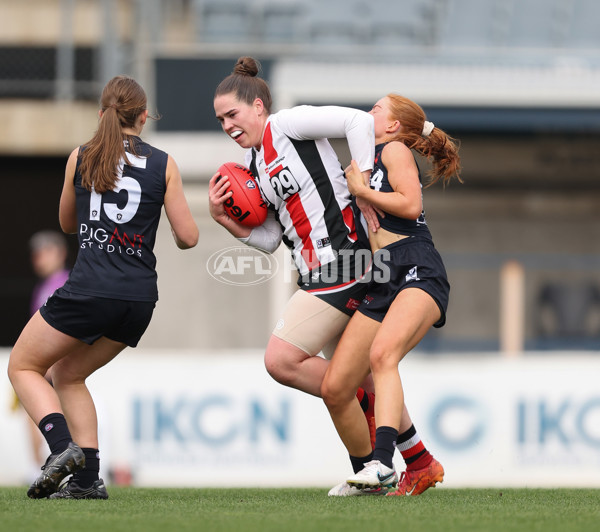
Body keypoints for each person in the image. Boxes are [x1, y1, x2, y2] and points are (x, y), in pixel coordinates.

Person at [209, 57, 433, 496]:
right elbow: (272, 237)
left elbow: (355, 122)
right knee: (347, 384)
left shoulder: (288, 124)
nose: (227, 125)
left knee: (281, 360)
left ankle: (373, 456)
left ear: (258, 107)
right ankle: (406, 463)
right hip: (314, 273)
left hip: (346, 263)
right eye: (219, 120)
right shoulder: (254, 164)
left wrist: (363, 184)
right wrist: (225, 219)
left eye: (232, 114)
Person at [7, 75, 198, 500]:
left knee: (22, 367)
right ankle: (88, 480)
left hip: (90, 290)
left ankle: (60, 449)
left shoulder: (82, 156)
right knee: (69, 374)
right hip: (138, 300)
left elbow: (66, 224)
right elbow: (188, 237)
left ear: (101, 115)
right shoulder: (164, 162)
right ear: (144, 117)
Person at [321, 94, 461, 496]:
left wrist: (362, 193)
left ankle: (381, 465)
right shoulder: (361, 163)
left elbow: (410, 202)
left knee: (383, 355)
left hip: (416, 264)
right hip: (381, 275)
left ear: (395, 125)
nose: (368, 115)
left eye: (377, 110)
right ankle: (418, 464)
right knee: (338, 384)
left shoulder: (393, 149)